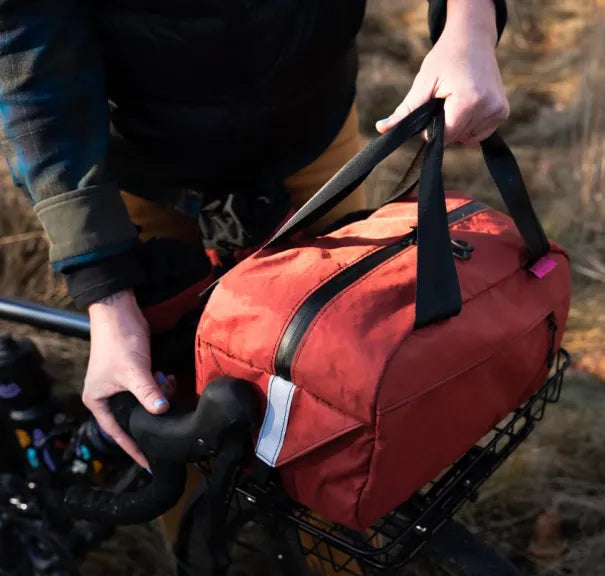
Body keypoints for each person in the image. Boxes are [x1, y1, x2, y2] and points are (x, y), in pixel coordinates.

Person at [0, 1, 510, 470]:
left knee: (347, 381)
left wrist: (470, 25)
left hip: (315, 137)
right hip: (140, 174)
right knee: (174, 425)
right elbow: (29, 54)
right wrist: (105, 287)